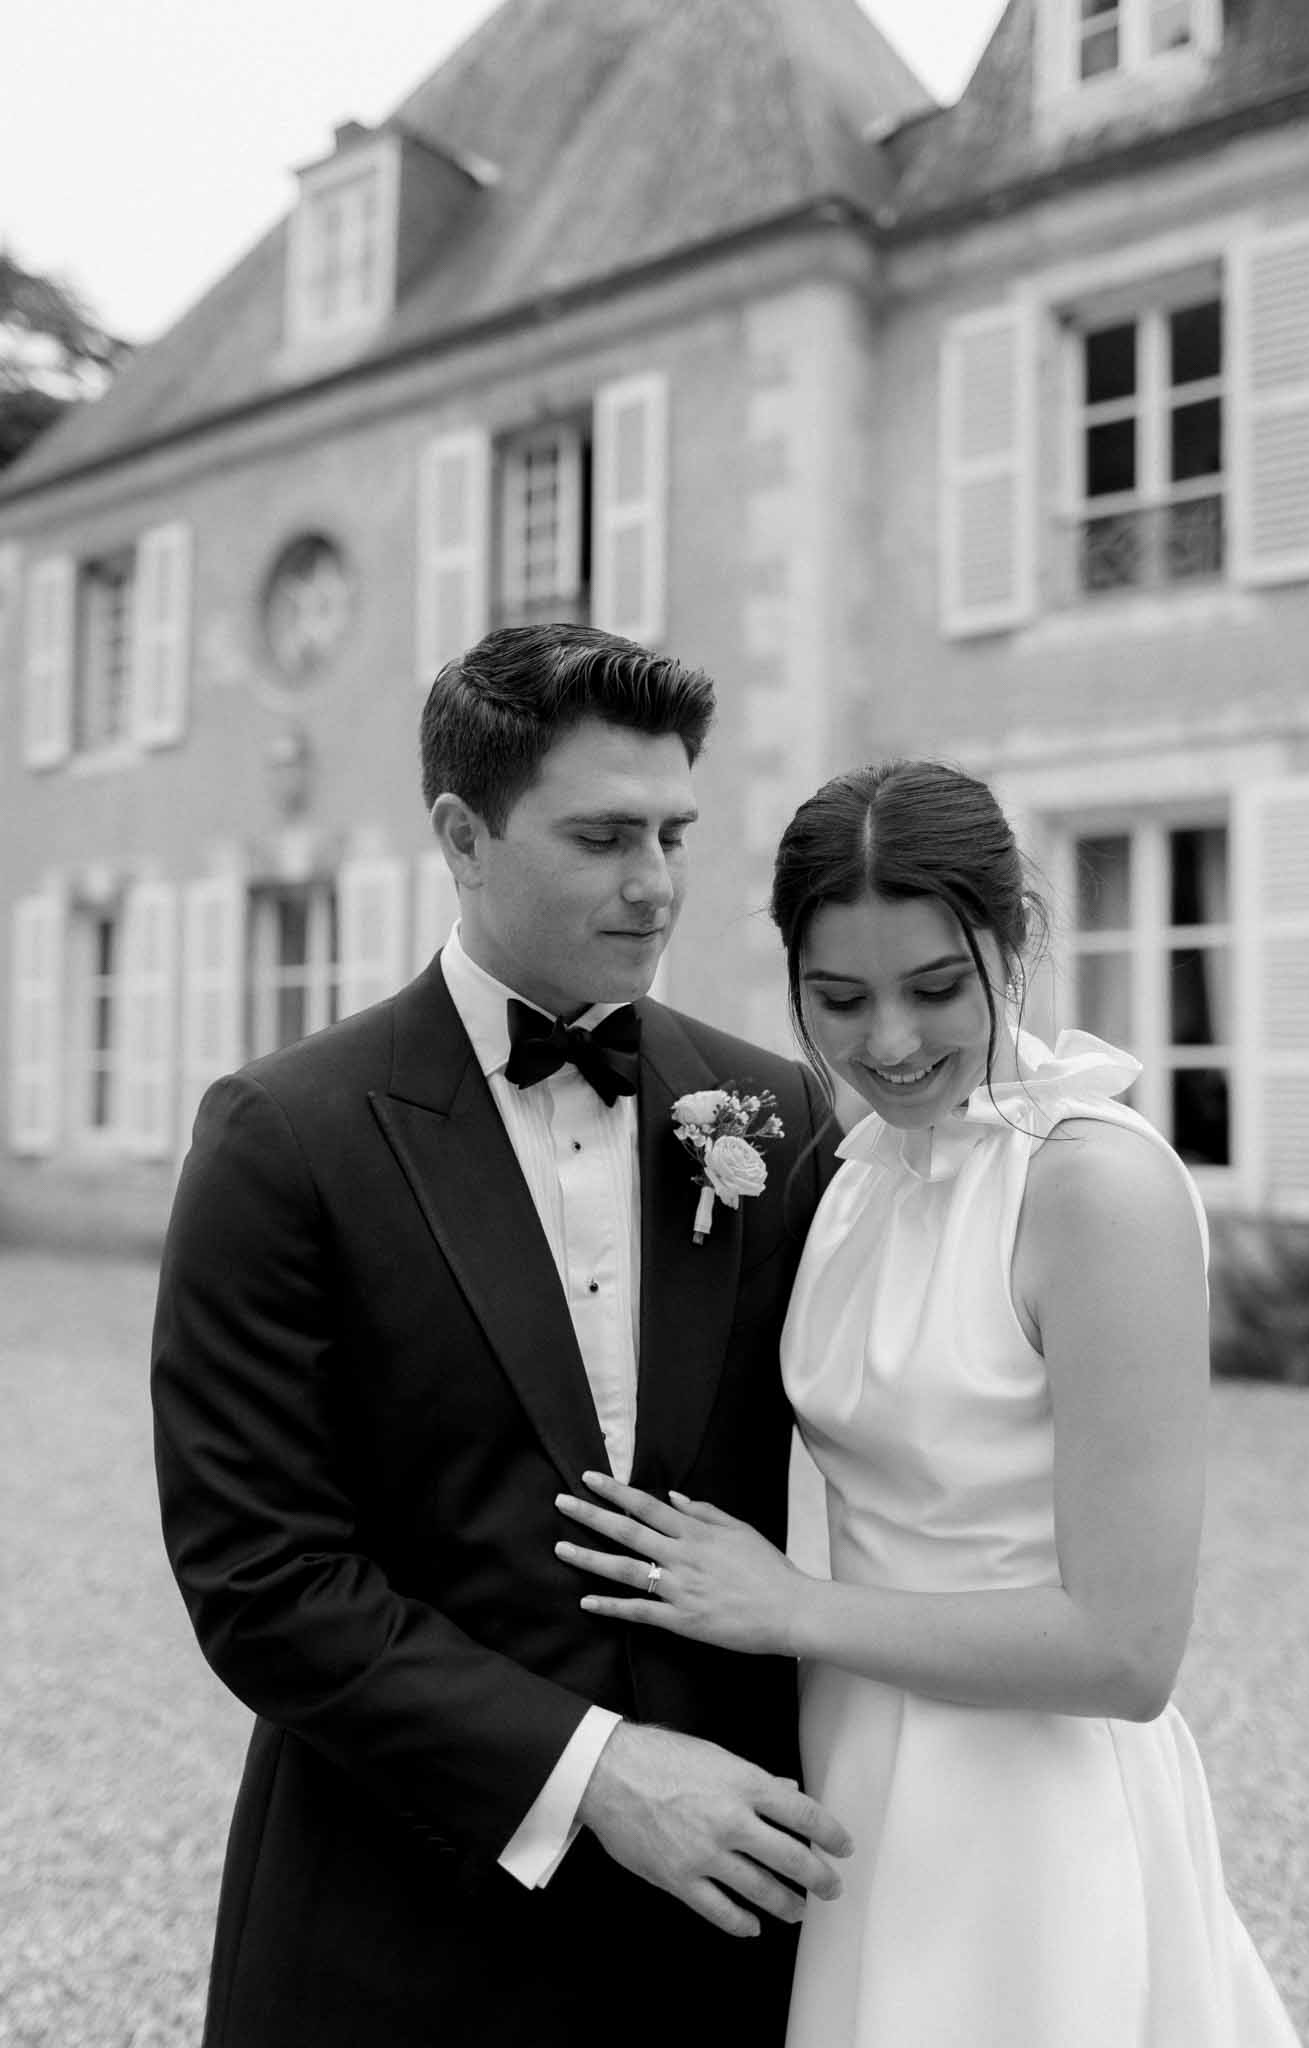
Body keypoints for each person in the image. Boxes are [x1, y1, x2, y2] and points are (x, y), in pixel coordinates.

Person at [150, 623, 852, 2048]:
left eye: (672, 832)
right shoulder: (282, 1135)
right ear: (463, 837)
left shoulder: (773, 1112)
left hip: (722, 1929)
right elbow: (261, 1577)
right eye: (600, 837)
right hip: (399, 1914)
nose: (654, 884)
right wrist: (598, 1773)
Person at [555, 759, 1303, 2046]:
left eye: (936, 988)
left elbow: (1127, 1652)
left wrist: (789, 1606)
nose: (889, 1042)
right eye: (839, 999)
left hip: (1033, 1810)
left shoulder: (1091, 1190)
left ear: (1011, 940)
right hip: (857, 1778)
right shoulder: (852, 1170)